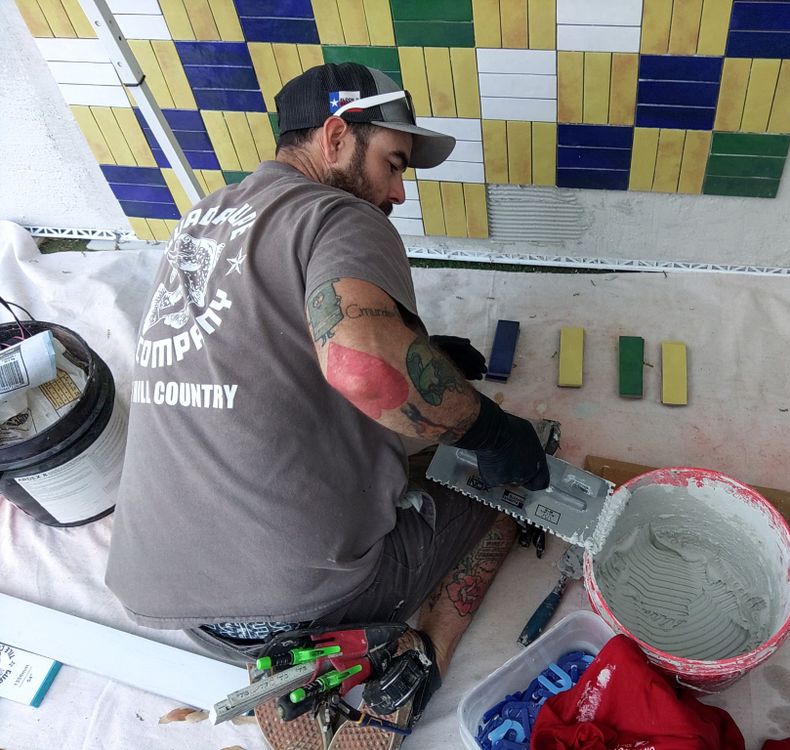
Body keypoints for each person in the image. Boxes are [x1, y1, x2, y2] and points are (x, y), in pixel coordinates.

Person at [104, 61, 550, 746]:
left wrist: (420, 352)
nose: (398, 192)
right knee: (506, 485)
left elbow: (272, 344)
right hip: (301, 607)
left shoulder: (203, 219)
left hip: (168, 599)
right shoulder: (338, 212)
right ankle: (415, 661)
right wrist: (492, 433)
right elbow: (363, 367)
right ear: (337, 135)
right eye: (393, 164)